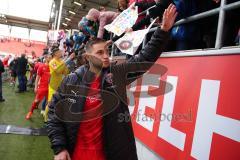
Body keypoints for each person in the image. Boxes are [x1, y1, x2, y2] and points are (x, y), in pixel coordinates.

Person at [47, 4, 177, 160]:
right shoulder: (71, 81)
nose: (106, 56)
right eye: (100, 52)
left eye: (107, 51)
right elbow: (54, 113)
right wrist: (59, 148)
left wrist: (162, 31)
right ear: (88, 58)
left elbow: (144, 58)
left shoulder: (116, 75)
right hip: (77, 154)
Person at [44, 45, 75, 122]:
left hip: (60, 84)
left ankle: (53, 117)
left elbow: (66, 72)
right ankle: (46, 118)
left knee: (58, 102)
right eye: (59, 52)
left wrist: (67, 64)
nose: (61, 53)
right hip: (53, 85)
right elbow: (58, 70)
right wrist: (68, 60)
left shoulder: (61, 61)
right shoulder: (52, 61)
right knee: (50, 102)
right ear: (55, 54)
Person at [25, 54, 52, 120]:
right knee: (36, 100)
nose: (50, 59)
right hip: (42, 87)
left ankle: (46, 114)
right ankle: (30, 112)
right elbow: (37, 77)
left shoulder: (53, 67)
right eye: (49, 57)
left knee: (50, 102)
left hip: (51, 88)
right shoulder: (41, 66)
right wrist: (36, 87)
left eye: (51, 58)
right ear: (46, 58)